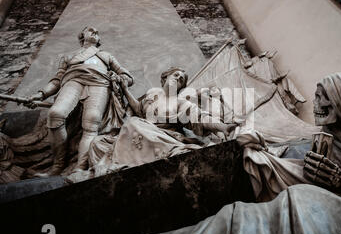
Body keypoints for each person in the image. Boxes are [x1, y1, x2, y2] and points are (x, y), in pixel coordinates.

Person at [238, 73, 341, 217]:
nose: (315, 103)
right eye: (316, 96)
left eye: (321, 97)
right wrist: (264, 155)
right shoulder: (330, 140)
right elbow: (309, 177)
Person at [76, 67, 237, 179]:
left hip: (162, 135)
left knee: (134, 123)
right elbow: (139, 109)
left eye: (181, 80)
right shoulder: (153, 93)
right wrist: (125, 89)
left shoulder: (180, 102)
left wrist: (224, 127)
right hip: (137, 132)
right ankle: (116, 170)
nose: (178, 79)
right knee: (98, 143)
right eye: (176, 75)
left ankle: (125, 164)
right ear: (165, 77)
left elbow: (201, 118)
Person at [28, 26, 134, 176]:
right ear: (81, 36)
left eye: (97, 32)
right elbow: (57, 81)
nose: (95, 32)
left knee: (91, 122)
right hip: (73, 81)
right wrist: (41, 94)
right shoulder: (68, 56)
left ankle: (80, 168)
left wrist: (119, 78)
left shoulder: (106, 55)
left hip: (99, 83)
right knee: (55, 114)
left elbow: (127, 77)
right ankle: (57, 166)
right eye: (90, 30)